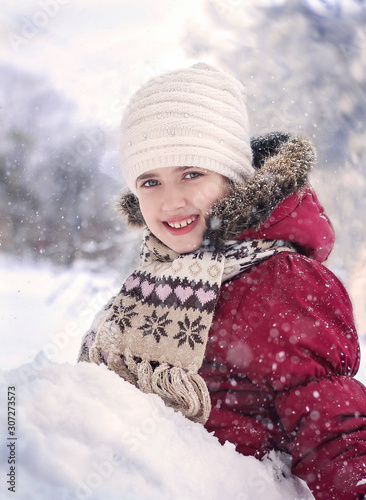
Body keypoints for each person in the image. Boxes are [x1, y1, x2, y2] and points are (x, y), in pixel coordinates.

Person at [78, 62, 366, 499]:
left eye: (191, 173)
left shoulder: (284, 282)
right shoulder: (162, 275)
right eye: (150, 181)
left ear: (232, 178)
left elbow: (329, 421)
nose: (172, 200)